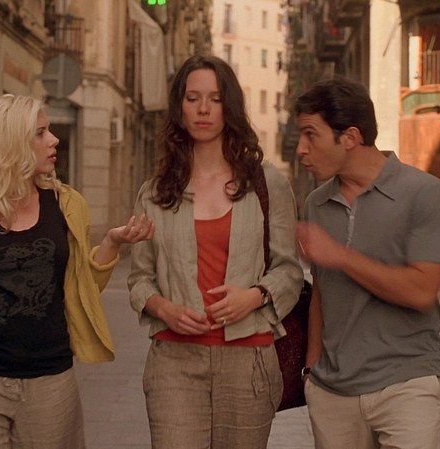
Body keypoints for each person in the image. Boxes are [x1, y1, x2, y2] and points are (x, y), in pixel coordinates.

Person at [0, 94, 154, 448]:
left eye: (49, 130)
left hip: (49, 377)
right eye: (40, 133)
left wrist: (111, 243)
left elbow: (80, 288)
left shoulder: (68, 206)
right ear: (11, 144)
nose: (53, 140)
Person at [127, 54, 303, 449]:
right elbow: (139, 280)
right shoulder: (155, 192)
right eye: (193, 98)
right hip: (174, 363)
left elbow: (289, 271)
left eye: (215, 98)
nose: (203, 109)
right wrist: (165, 309)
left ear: (230, 107)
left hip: (249, 362)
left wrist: (253, 296)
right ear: (180, 107)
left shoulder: (266, 183)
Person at [293, 77, 440, 449]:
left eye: (311, 135)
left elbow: (422, 291)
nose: (301, 149)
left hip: (407, 383)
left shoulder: (424, 192)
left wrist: (340, 255)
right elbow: (321, 293)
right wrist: (311, 371)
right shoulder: (316, 204)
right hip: (332, 391)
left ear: (350, 137)